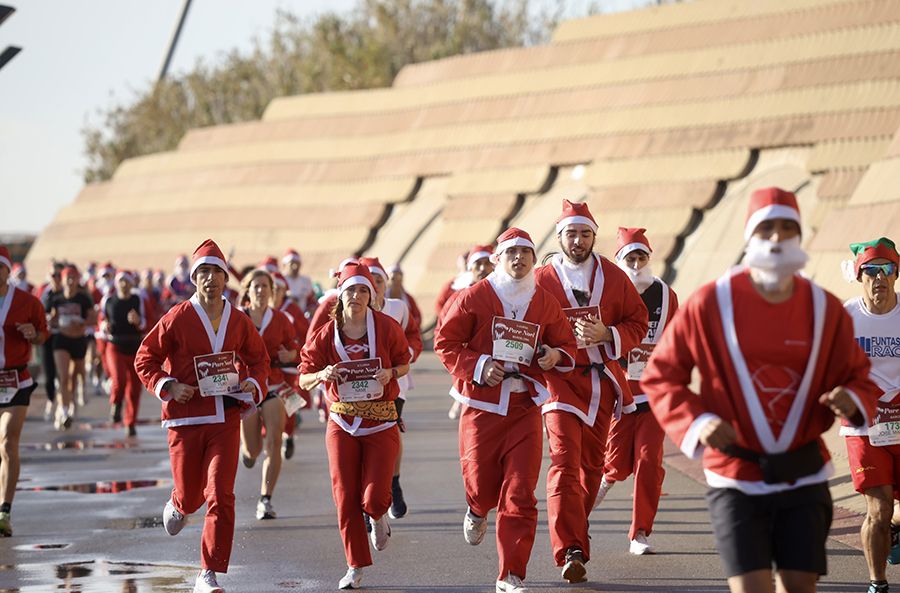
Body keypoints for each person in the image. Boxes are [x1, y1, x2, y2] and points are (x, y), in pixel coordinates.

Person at [641, 187, 880, 593]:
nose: (776, 238)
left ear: (799, 236)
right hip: (735, 475)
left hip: (803, 472)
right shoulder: (710, 303)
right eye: (766, 227)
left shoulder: (825, 308)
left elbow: (860, 377)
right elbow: (661, 375)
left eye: (788, 228)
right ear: (750, 235)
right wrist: (698, 421)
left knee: (798, 587)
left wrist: (851, 398)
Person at [435, 228, 577, 593]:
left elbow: (565, 344)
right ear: (498, 259)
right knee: (482, 486)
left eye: (525, 254)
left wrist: (553, 355)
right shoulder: (475, 297)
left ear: (533, 259)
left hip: (524, 406)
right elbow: (445, 341)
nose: (519, 259)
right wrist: (479, 365)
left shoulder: (544, 301)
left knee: (520, 490)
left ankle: (510, 573)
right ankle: (477, 509)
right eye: (511, 253)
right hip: (482, 406)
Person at [134, 239, 269, 593]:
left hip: (224, 417)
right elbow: (144, 359)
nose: (210, 279)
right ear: (194, 279)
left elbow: (259, 359)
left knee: (221, 493)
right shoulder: (177, 317)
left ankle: (208, 573)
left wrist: (252, 385)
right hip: (184, 420)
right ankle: (180, 502)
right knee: (193, 495)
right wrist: (168, 386)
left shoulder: (238, 320)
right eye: (203, 272)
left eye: (216, 273)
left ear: (226, 279)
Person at [534, 201, 648, 583]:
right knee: (563, 463)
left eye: (585, 233)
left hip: (601, 383)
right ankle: (570, 548)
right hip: (560, 383)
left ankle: (575, 535)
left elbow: (638, 320)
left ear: (593, 236)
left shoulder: (614, 277)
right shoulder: (541, 279)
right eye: (571, 233)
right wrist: (543, 353)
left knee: (592, 469)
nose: (578, 241)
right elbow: (524, 323)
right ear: (559, 236)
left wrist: (608, 335)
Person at [298, 264, 411, 590]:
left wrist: (391, 373)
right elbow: (303, 377)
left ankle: (378, 516)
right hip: (342, 421)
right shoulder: (326, 334)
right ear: (340, 295)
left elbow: (404, 362)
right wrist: (321, 375)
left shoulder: (387, 327)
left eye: (364, 291)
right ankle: (355, 566)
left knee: (375, 496)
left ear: (372, 296)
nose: (357, 296)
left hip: (380, 420)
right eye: (351, 291)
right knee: (345, 497)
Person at [594, 227, 677, 556]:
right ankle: (606, 479)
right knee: (616, 463)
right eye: (631, 257)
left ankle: (639, 532)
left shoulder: (668, 296)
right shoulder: (610, 294)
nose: (638, 262)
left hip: (654, 394)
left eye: (642, 256)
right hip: (620, 391)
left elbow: (677, 340)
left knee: (647, 462)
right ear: (620, 261)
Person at [839, 237, 900, 593]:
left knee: (888, 514)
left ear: (895, 276)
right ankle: (878, 584)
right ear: (860, 276)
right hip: (864, 427)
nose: (879, 277)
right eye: (871, 270)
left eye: (887, 269)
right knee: (877, 508)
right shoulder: (846, 318)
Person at [359, 256, 423, 520]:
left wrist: (405, 354)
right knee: (363, 438)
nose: (375, 286)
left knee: (391, 431)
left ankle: (393, 483)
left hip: (396, 381)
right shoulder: (351, 309)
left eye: (379, 281)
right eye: (369, 282)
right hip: (360, 386)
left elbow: (414, 336)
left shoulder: (398, 308)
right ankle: (367, 496)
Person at [237, 268, 299, 521]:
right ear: (248, 291)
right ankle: (247, 452)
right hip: (246, 389)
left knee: (274, 441)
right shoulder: (237, 318)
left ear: (272, 292)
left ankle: (266, 499)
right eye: (256, 286)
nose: (261, 290)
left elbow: (296, 349)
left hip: (274, 386)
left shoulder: (282, 319)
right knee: (253, 450)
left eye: (265, 286)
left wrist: (290, 356)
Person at [0, 246, 50, 536]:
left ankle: (4, 510)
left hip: (16, 379)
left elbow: (44, 334)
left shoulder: (27, 302)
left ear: (8, 270)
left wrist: (34, 335)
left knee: (8, 441)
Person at [440, 245, 495, 421]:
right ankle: (460, 395)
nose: (482, 268)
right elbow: (442, 332)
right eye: (478, 263)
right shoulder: (459, 297)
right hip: (470, 363)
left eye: (487, 263)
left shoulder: (505, 294)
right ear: (469, 268)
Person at [47, 265, 96, 430]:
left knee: (75, 376)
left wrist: (81, 322)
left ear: (77, 279)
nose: (70, 281)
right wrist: (54, 321)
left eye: (73, 278)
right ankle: (64, 411)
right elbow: (49, 318)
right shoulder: (55, 297)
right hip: (61, 340)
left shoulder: (84, 298)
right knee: (63, 377)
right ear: (62, 279)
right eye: (67, 278)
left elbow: (93, 319)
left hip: (78, 340)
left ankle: (72, 400)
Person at [101, 270, 146, 437]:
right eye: (121, 281)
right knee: (119, 379)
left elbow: (146, 322)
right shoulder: (109, 301)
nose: (124, 285)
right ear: (116, 283)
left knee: (134, 388)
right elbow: (101, 322)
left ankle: (131, 421)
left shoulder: (137, 299)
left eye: (127, 281)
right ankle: (116, 405)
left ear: (131, 284)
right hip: (115, 345)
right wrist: (104, 326)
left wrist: (138, 321)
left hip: (134, 346)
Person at [272, 271, 310, 460]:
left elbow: (307, 334)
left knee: (289, 402)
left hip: (288, 366)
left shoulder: (291, 309)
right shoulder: (253, 309)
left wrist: (294, 353)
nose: (272, 292)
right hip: (264, 369)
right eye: (269, 287)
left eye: (277, 288)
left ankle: (289, 436)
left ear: (284, 290)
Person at [36, 263, 63, 422]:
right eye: (54, 275)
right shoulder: (43, 293)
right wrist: (48, 319)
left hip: (64, 337)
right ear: (49, 276)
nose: (57, 279)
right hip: (47, 337)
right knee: (49, 373)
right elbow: (37, 314)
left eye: (60, 275)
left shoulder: (67, 294)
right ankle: (51, 399)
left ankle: (63, 404)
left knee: (63, 374)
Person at [281, 249, 317, 314]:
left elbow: (311, 300)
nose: (295, 267)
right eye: (292, 263)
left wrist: (312, 308)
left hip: (301, 316)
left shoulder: (306, 281)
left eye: (297, 263)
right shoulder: (280, 280)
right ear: (285, 264)